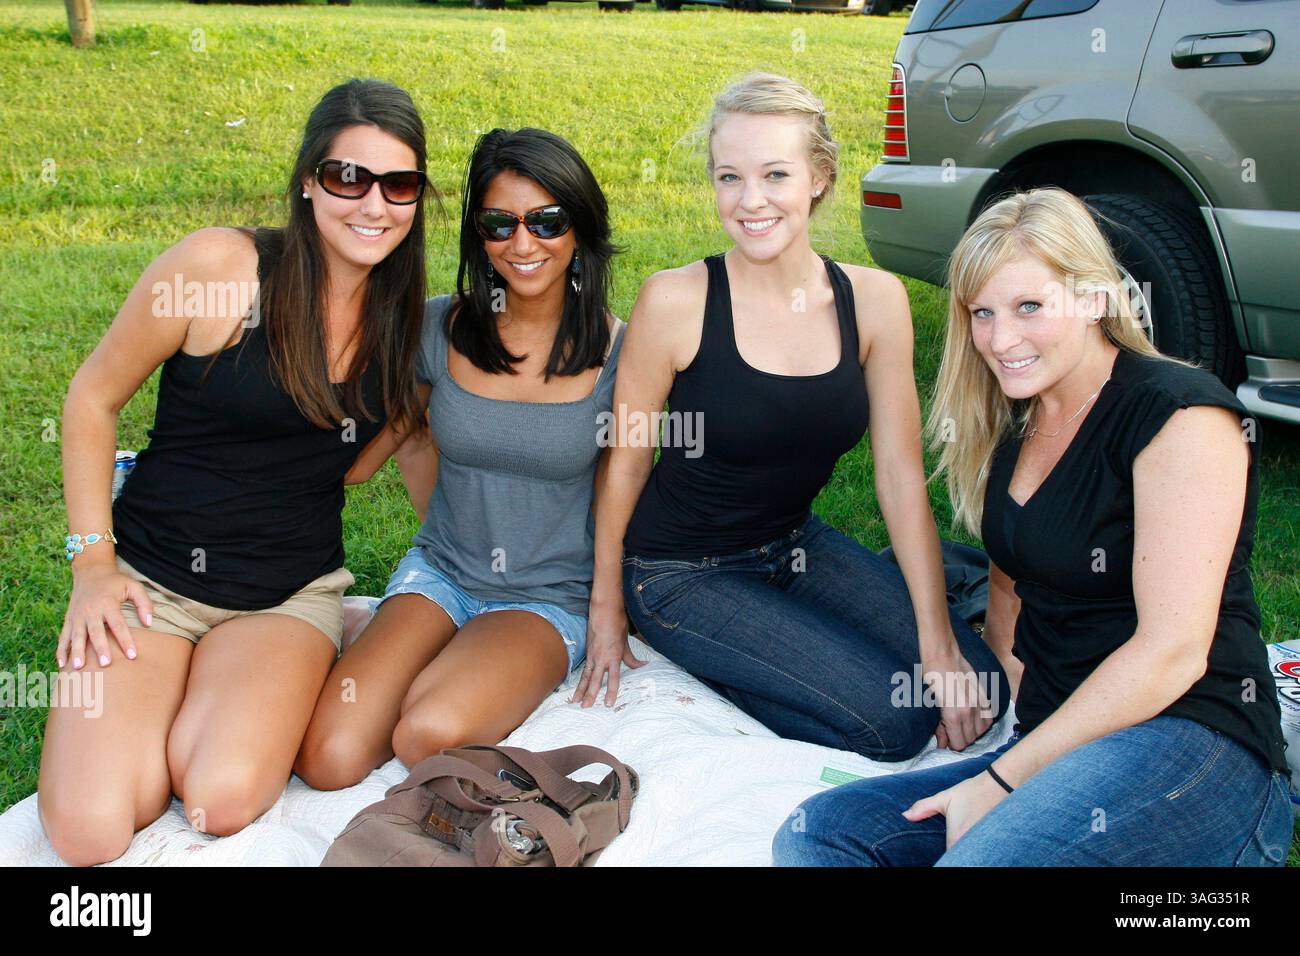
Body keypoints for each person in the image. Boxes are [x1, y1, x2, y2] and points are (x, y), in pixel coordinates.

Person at [773, 187, 1294, 866]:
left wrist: (1000, 779)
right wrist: (1018, 714)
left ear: (1095, 298)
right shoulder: (1020, 417)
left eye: (1029, 307)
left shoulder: (1180, 419)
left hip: (1192, 742)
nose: (999, 339)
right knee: (819, 834)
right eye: (982, 313)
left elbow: (1173, 653)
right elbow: (1012, 584)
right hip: (1061, 746)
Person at [39, 79, 433, 865]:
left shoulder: (404, 322)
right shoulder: (220, 266)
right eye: (347, 176)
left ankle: (321, 636)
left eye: (400, 184)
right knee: (91, 830)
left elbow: (353, 471)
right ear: (307, 181)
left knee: (218, 799)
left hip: (283, 599)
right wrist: (92, 564)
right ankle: (167, 685)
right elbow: (91, 399)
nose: (373, 204)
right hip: (149, 583)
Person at [581, 72, 1007, 762]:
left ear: (819, 177)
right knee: (891, 724)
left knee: (979, 684)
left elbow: (899, 478)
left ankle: (805, 648)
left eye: (775, 174)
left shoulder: (874, 301)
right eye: (729, 177)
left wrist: (938, 641)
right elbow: (625, 462)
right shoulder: (676, 301)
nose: (750, 202)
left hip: (794, 543)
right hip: (679, 571)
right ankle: (721, 665)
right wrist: (607, 609)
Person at [295, 127, 625, 789]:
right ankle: (394, 629)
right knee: (328, 759)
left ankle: (443, 659)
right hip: (442, 573)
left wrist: (607, 607)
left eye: (547, 221)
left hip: (544, 598)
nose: (523, 244)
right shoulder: (439, 326)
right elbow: (371, 454)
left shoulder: (623, 351)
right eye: (499, 224)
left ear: (582, 227)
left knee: (427, 734)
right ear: (478, 235)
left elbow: (623, 491)